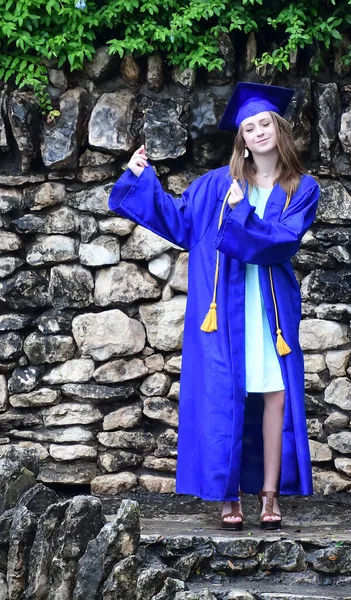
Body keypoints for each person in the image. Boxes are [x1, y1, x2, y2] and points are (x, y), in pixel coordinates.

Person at [108, 82, 320, 531]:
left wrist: (242, 213)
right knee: (226, 393)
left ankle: (268, 494)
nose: (258, 132)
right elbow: (180, 223)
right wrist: (141, 178)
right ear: (240, 138)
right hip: (221, 308)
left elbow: (280, 243)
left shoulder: (301, 188)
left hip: (270, 309)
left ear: (278, 129)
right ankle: (229, 497)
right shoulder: (214, 186)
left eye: (265, 124)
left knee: (274, 395)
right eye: (249, 127)